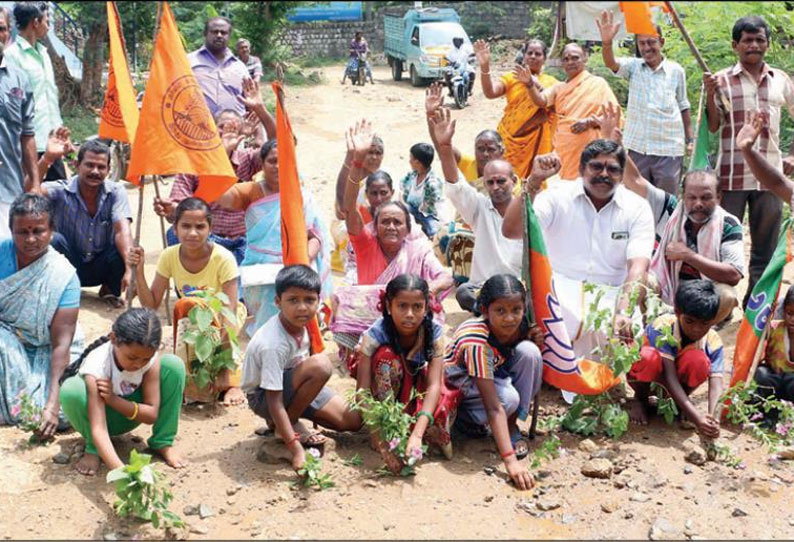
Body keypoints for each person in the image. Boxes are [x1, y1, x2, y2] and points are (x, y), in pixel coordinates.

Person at [502, 140, 654, 358]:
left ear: (621, 176)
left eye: (612, 169)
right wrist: (534, 181)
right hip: (559, 294)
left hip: (612, 295)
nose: (604, 173)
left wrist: (624, 311)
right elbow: (512, 230)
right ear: (581, 169)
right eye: (596, 166)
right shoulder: (557, 196)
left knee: (629, 332)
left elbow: (638, 267)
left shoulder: (636, 208)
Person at [332, 120, 453, 363]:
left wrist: (426, 292)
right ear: (374, 227)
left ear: (408, 227)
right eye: (385, 222)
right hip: (370, 324)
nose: (391, 227)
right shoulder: (366, 242)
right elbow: (347, 206)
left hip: (408, 323)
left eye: (397, 222)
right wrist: (355, 161)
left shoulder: (417, 247)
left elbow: (446, 277)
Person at [704, 15, 794, 309]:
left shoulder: (781, 79)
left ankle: (755, 307)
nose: (753, 45)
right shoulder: (720, 79)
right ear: (735, 45)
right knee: (723, 244)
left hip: (771, 179)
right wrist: (709, 94)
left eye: (759, 39)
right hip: (730, 176)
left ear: (767, 43)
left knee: (765, 250)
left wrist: (791, 156)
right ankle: (721, 307)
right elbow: (714, 127)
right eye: (747, 40)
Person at [126, 197, 245, 406]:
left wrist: (220, 362)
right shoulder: (169, 256)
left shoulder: (223, 258)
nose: (192, 233)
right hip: (191, 319)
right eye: (186, 226)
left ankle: (231, 382)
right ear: (175, 228)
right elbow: (151, 304)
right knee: (186, 313)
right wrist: (140, 271)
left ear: (210, 229)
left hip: (222, 316)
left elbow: (230, 309)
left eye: (200, 226)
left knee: (206, 317)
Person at [242, 265, 361, 469]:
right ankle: (286, 425)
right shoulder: (273, 343)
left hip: (292, 386)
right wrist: (295, 448)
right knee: (322, 365)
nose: (302, 307)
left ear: (318, 301)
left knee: (352, 420)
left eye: (309, 300)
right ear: (278, 302)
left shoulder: (301, 326)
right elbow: (273, 399)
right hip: (263, 397)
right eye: (293, 300)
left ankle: (284, 422)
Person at [216, 140, 333, 333]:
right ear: (262, 164)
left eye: (284, 160)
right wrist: (225, 152)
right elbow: (221, 196)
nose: (278, 166)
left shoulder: (301, 195)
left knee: (297, 288)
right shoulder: (252, 191)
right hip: (260, 268)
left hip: (296, 263)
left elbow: (315, 237)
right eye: (272, 161)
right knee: (272, 293)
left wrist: (302, 261)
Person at [444, 274, 544, 491]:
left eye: (516, 310)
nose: (509, 318)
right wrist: (510, 462)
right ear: (484, 310)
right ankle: (465, 421)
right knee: (507, 399)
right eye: (500, 311)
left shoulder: (520, 325)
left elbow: (520, 355)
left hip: (491, 375)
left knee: (531, 353)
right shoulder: (476, 341)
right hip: (461, 386)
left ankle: (511, 426)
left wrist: (531, 338)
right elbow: (493, 406)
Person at [59, 308, 186, 476]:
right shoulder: (97, 366)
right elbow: (99, 428)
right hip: (100, 421)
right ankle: (93, 448)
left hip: (130, 414)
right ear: (113, 339)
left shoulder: (149, 359)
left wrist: (113, 400)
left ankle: (162, 442)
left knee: (173, 365)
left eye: (145, 359)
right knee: (71, 389)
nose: (138, 364)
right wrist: (122, 473)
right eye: (132, 358)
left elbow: (151, 414)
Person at [355, 274, 460, 461]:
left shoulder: (434, 332)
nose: (410, 314)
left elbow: (434, 385)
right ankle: (389, 426)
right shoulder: (375, 335)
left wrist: (417, 435)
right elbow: (362, 391)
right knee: (386, 359)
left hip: (416, 384)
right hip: (384, 384)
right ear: (389, 306)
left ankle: (415, 429)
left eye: (417, 307)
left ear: (426, 307)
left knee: (442, 405)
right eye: (402, 306)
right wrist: (378, 437)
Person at [155, 100, 273, 266]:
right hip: (207, 238)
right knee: (175, 234)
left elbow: (278, 149)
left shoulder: (248, 159)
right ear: (210, 130)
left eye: (232, 127)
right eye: (222, 127)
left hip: (243, 240)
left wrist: (260, 109)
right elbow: (178, 210)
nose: (226, 132)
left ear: (241, 133)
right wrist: (171, 210)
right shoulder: (193, 163)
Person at [0, 194, 79, 438]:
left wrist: (53, 404)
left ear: (52, 230)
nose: (31, 239)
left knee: (65, 413)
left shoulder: (63, 276)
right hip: (5, 342)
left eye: (38, 230)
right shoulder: (2, 254)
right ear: (11, 230)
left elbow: (61, 345)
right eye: (22, 232)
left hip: (47, 349)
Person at [429, 108, 522, 312]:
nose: (496, 187)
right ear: (484, 184)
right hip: (484, 287)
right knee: (464, 292)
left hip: (517, 288)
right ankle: (488, 313)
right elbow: (456, 183)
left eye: (501, 181)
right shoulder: (480, 206)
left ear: (514, 181)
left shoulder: (528, 210)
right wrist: (444, 146)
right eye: (491, 182)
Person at [27, 138, 133, 308]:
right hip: (68, 265)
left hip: (100, 265)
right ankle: (56, 290)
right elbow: (29, 193)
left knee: (126, 248)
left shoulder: (116, 191)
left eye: (101, 167)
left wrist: (130, 270)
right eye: (89, 165)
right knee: (53, 239)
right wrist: (46, 159)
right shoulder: (61, 189)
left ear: (108, 170)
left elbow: (122, 230)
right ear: (77, 165)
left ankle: (109, 289)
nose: (95, 171)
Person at [597, 11, 692, 196]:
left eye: (651, 42)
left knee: (666, 204)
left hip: (669, 150)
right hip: (637, 149)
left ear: (661, 42)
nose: (647, 47)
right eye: (642, 43)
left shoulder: (676, 71)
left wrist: (690, 140)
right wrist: (607, 42)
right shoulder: (633, 67)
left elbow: (683, 106)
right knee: (635, 202)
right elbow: (611, 63)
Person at [629, 280, 723, 439]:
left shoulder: (713, 341)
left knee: (698, 361)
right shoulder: (662, 327)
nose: (696, 329)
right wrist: (696, 417)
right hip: (652, 378)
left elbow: (717, 385)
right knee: (647, 357)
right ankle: (640, 400)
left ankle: (679, 404)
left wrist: (714, 419)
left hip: (674, 385)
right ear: (678, 313)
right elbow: (669, 375)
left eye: (704, 324)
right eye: (690, 321)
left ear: (713, 320)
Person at [526, 43, 622, 181]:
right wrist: (530, 85)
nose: (570, 62)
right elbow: (541, 101)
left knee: (592, 183)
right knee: (568, 189)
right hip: (566, 147)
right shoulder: (558, 88)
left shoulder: (598, 84)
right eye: (566, 59)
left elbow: (614, 116)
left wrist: (590, 122)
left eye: (575, 58)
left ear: (585, 58)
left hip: (593, 148)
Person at [474, 38, 558, 179]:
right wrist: (485, 67)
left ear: (544, 59)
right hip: (508, 138)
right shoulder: (512, 77)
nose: (533, 56)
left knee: (531, 182)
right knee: (501, 178)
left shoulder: (552, 83)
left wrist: (534, 84)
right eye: (529, 53)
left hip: (534, 140)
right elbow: (490, 93)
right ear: (524, 56)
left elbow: (551, 105)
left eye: (538, 54)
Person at [5, 2, 65, 182]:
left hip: (52, 141)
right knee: (31, 198)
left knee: (58, 195)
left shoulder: (43, 53)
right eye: (47, 20)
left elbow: (49, 97)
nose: (49, 26)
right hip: (29, 143)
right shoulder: (12, 56)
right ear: (35, 22)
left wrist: (60, 133)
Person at [0, 10, 37, 239]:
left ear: (8, 33)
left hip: (9, 190)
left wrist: (33, 183)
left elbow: (27, 134)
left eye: (1, 28)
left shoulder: (19, 79)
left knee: (6, 260)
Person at [188, 16, 249, 116]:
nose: (219, 35)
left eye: (223, 32)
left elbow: (251, 103)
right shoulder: (189, 62)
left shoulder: (240, 67)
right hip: (198, 127)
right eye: (214, 32)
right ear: (205, 34)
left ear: (229, 36)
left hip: (234, 128)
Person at [755, 285, 794, 414]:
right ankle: (766, 412)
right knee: (761, 374)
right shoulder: (774, 328)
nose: (793, 320)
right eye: (789, 313)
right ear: (783, 311)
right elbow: (757, 334)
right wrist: (767, 312)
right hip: (773, 381)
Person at [399, 142, 445, 238]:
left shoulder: (433, 183)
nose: (409, 161)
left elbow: (436, 206)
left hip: (427, 214)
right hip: (410, 208)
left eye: (411, 158)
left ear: (417, 162)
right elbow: (401, 191)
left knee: (434, 232)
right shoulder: (411, 176)